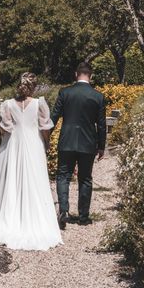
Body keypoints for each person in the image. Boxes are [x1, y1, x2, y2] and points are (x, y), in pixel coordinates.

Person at [0, 72, 63, 250]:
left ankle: (11, 215)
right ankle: (35, 217)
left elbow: (6, 129)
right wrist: (47, 144)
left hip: (14, 146)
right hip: (34, 145)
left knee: (13, 180)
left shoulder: (7, 105)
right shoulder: (40, 104)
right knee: (35, 181)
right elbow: (45, 128)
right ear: (33, 87)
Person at [51, 61, 106, 229]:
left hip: (66, 140)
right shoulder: (98, 96)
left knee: (63, 176)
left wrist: (44, 137)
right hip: (87, 142)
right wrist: (101, 146)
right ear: (91, 75)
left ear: (76, 74)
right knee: (85, 178)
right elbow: (101, 125)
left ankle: (64, 211)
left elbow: (53, 118)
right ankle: (83, 217)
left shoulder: (65, 92)